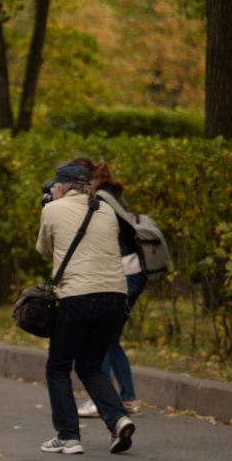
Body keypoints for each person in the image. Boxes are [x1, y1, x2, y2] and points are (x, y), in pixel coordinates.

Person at [36, 163, 136, 456]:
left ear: (61, 188)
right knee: (90, 365)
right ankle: (118, 420)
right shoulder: (104, 208)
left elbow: (43, 249)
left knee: (58, 366)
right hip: (116, 297)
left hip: (78, 297)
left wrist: (51, 208)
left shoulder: (52, 209)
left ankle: (68, 436)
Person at [77, 159, 145, 418]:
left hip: (123, 275)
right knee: (109, 338)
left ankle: (101, 399)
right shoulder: (111, 194)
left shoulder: (102, 200)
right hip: (132, 273)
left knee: (102, 336)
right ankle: (127, 399)